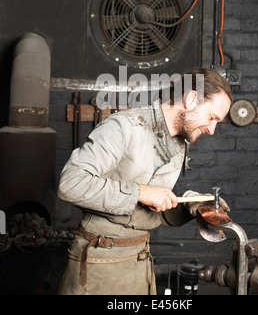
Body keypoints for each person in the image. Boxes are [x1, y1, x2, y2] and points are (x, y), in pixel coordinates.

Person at [57, 68, 233, 295]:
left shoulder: (179, 145)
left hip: (139, 262)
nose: (212, 129)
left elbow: (149, 212)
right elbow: (70, 183)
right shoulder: (123, 127)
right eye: (212, 117)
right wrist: (139, 192)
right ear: (191, 99)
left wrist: (192, 206)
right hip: (97, 264)